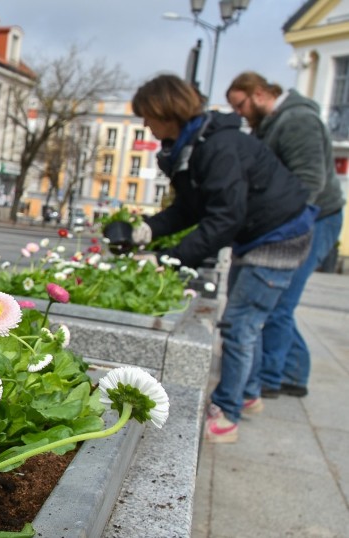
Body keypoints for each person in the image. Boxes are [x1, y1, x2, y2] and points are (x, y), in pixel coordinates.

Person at [122, 74, 315, 443]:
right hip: (264, 233)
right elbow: (189, 209)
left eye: (147, 115)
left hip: (278, 236)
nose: (145, 124)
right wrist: (142, 231)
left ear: (166, 110)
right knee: (249, 322)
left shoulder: (217, 147)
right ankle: (250, 392)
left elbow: (224, 218)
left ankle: (227, 412)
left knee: (240, 326)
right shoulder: (197, 143)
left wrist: (170, 259)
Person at [227, 72, 345, 404]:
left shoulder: (297, 120)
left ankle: (276, 377)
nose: (239, 113)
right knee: (277, 302)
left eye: (241, 104)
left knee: (279, 301)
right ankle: (288, 372)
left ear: (260, 93)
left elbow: (309, 181)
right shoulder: (274, 122)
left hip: (314, 219)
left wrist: (281, 230)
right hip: (301, 219)